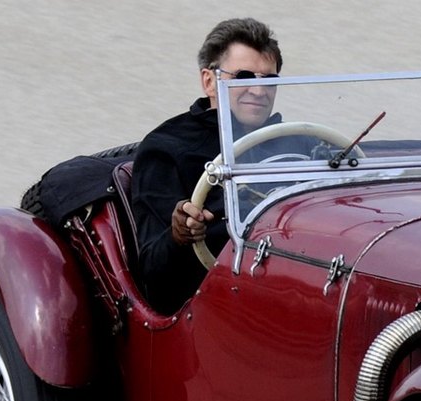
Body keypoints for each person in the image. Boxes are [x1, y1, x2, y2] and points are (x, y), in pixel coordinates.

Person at [130, 18, 313, 313]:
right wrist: (179, 234)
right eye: (243, 76)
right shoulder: (168, 149)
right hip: (213, 302)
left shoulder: (302, 142)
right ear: (209, 81)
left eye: (268, 80)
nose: (258, 90)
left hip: (297, 286)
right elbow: (152, 271)